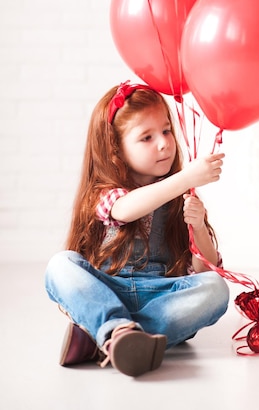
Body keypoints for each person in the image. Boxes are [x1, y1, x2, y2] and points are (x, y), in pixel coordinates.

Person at [45, 81, 229, 377]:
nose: (164, 143)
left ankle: (107, 335)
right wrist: (186, 178)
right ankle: (120, 330)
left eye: (167, 130)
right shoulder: (105, 194)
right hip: (109, 288)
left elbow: (204, 269)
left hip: (161, 295)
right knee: (60, 265)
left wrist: (198, 227)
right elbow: (126, 209)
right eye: (147, 137)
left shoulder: (180, 197)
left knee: (216, 290)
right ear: (116, 151)